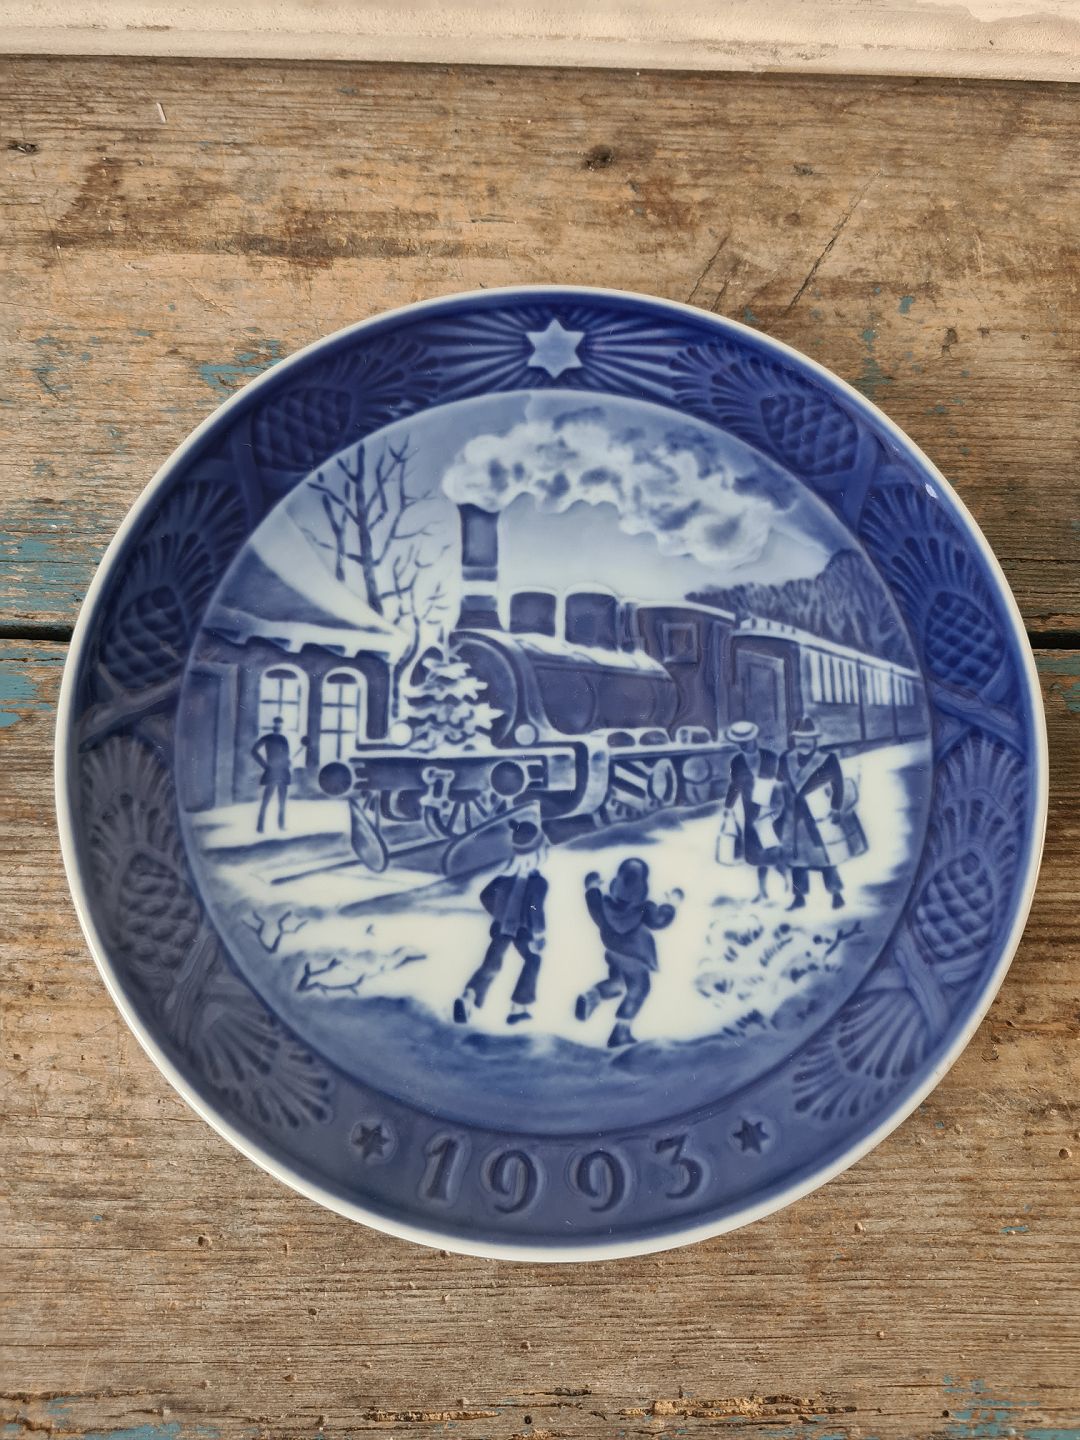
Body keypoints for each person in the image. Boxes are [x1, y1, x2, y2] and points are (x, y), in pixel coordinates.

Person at [575, 858, 680, 1048]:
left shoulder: (605, 904)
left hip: (614, 953)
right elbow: (659, 921)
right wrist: (671, 905)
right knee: (639, 990)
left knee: (618, 983)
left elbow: (593, 906)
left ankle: (592, 995)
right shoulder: (644, 909)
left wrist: (592, 887)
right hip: (635, 959)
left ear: (616, 883)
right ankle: (621, 1032)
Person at [454, 818, 549, 1027]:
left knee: (492, 964)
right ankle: (518, 1007)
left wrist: (500, 914)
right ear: (538, 852)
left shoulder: (504, 878)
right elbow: (535, 908)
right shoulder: (538, 882)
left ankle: (469, 996)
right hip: (523, 931)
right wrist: (539, 933)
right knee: (533, 959)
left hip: (502, 927)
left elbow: (485, 896)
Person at [778, 716, 848, 910]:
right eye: (800, 738)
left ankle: (836, 894)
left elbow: (838, 785)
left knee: (825, 857)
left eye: (808, 739)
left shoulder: (827, 760)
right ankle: (799, 898)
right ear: (795, 739)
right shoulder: (785, 759)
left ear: (815, 740)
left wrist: (836, 807)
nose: (803, 742)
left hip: (817, 816)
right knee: (797, 860)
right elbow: (779, 785)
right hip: (793, 818)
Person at [721, 719, 786, 901]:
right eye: (739, 742)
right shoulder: (737, 762)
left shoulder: (770, 757)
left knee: (775, 850)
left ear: (754, 739)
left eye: (746, 741)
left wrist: (780, 804)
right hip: (751, 814)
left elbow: (782, 781)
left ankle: (787, 883)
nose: (742, 745)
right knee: (757, 856)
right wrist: (728, 806)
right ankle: (762, 891)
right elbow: (735, 786)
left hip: (773, 812)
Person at [252, 717, 297, 834]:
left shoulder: (283, 739)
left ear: (281, 725)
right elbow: (254, 751)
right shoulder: (267, 737)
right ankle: (260, 826)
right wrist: (264, 765)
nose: (278, 725)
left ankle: (281, 825)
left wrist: (288, 762)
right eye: (276, 723)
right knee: (266, 800)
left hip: (283, 772)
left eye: (280, 724)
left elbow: (286, 755)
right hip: (272, 772)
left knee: (282, 801)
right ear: (273, 725)